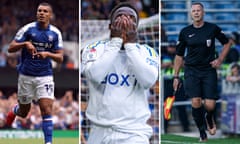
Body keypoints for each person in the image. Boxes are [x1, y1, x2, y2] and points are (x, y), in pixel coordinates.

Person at [81, 2, 159, 144]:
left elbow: (148, 80)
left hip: (133, 133)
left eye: (130, 18)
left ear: (136, 27)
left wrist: (130, 45)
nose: (125, 20)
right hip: (99, 132)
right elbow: (94, 75)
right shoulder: (94, 48)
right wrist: (116, 41)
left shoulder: (147, 52)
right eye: (120, 16)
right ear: (110, 26)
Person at [5, 2, 63, 144]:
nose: (41, 13)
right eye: (39, 11)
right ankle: (15, 110)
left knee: (46, 109)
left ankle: (48, 142)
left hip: (45, 76)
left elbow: (60, 58)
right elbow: (10, 48)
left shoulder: (55, 33)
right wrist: (24, 44)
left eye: (45, 11)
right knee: (24, 112)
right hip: (26, 76)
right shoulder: (27, 29)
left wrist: (48, 54)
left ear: (50, 15)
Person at [173, 2, 231, 142]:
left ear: (203, 13)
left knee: (210, 105)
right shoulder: (185, 32)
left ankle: (209, 117)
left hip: (208, 70)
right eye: (194, 11)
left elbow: (227, 43)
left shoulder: (212, 28)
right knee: (196, 101)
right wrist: (176, 76)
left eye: (199, 10)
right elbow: (179, 56)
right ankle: (202, 133)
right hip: (191, 70)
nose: (196, 12)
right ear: (191, 14)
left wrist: (220, 60)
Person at [162, 40, 190, 133]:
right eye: (171, 47)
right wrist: (166, 65)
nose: (172, 49)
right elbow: (160, 66)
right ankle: (164, 128)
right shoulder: (164, 56)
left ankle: (186, 128)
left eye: (174, 47)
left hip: (179, 83)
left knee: (181, 107)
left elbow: (185, 65)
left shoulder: (180, 56)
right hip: (167, 84)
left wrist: (171, 65)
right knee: (167, 107)